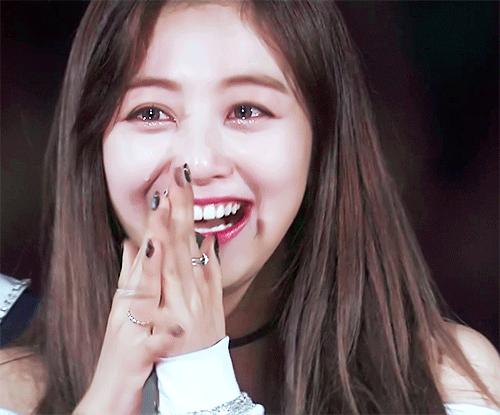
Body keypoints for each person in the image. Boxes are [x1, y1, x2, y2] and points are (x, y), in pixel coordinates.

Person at [0, 1, 499, 414]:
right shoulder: (14, 395)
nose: (198, 163)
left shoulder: (448, 385)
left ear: (321, 142)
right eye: (150, 112)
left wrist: (199, 377)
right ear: (95, 148)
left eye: (246, 110)